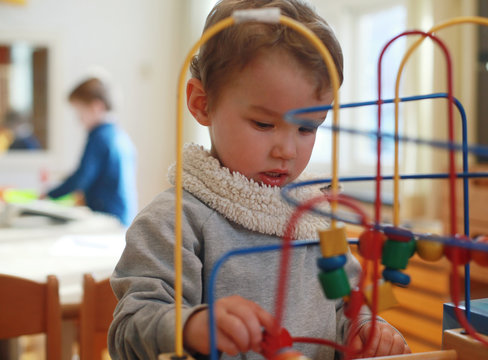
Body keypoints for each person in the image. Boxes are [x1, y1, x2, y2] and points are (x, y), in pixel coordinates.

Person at [108, 0, 410, 359]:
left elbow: (347, 301)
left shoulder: (315, 212)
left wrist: (363, 328)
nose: (286, 150)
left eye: (306, 128)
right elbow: (127, 333)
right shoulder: (174, 221)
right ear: (202, 103)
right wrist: (189, 326)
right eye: (264, 124)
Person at [46, 77, 137, 226]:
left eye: (80, 112)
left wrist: (49, 195)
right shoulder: (119, 135)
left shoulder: (99, 137)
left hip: (107, 217)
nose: (79, 120)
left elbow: (82, 177)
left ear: (96, 107)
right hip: (123, 216)